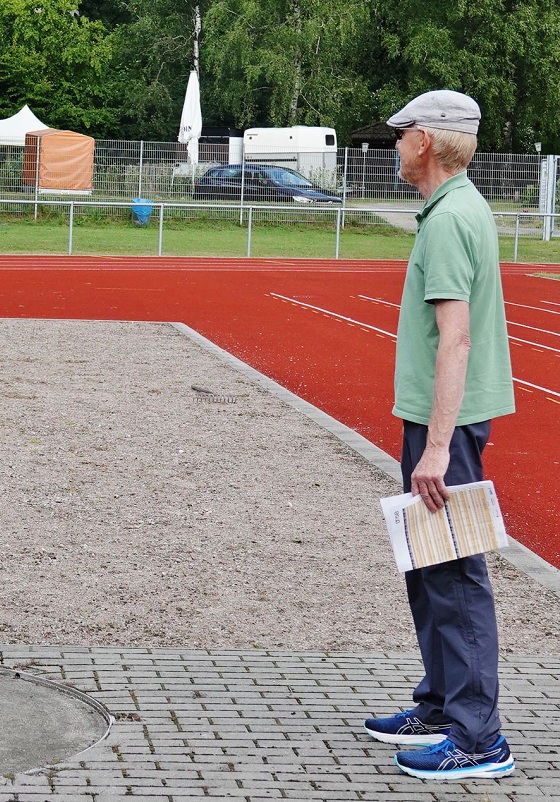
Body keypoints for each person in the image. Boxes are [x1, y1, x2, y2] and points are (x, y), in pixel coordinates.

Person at [362, 90, 516, 779]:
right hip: (437, 420)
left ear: (426, 141)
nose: (393, 145)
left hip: (443, 425)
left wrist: (433, 448)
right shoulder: (452, 209)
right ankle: (442, 700)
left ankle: (479, 736)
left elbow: (455, 339)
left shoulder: (450, 219)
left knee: (453, 572)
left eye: (400, 135)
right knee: (430, 568)